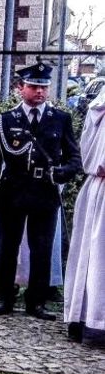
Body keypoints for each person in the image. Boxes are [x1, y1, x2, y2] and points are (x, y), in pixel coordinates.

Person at [0, 62, 80, 320]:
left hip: (44, 190)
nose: (39, 92)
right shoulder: (5, 121)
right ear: (20, 88)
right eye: (34, 86)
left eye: (44, 87)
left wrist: (64, 172)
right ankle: (4, 296)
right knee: (7, 246)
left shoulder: (60, 119)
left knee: (42, 248)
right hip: (13, 190)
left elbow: (74, 157)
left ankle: (36, 301)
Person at [65, 85, 105, 347]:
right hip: (100, 187)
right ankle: (92, 318)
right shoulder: (98, 109)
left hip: (96, 189)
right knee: (96, 254)